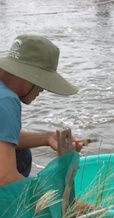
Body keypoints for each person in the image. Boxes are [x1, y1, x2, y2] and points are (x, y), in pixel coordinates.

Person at [0, 34, 87, 186]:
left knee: (20, 152)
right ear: (28, 76)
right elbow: (5, 178)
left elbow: (4, 135)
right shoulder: (6, 100)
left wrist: (47, 137)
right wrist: (57, 200)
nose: (42, 89)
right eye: (42, 82)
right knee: (21, 158)